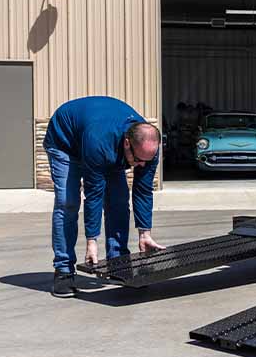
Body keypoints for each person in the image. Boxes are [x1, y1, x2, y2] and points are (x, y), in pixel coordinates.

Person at [43, 96, 166, 297]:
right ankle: (64, 271)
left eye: (147, 160)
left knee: (118, 201)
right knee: (68, 202)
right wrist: (92, 241)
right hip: (65, 142)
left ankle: (118, 263)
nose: (142, 165)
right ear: (127, 143)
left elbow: (143, 190)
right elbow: (93, 194)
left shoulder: (148, 148)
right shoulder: (99, 143)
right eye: (138, 160)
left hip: (103, 141)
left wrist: (145, 232)